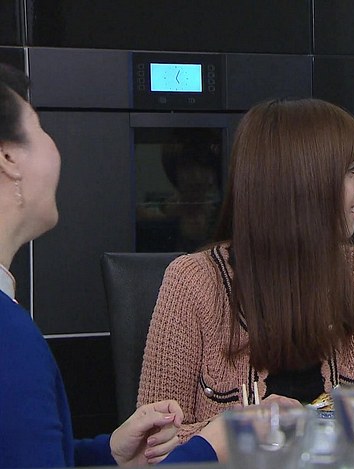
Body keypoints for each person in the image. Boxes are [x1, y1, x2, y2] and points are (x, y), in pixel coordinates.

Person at [137, 98, 354, 442]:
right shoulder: (191, 281)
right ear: (303, 184)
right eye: (349, 171)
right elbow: (152, 441)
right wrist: (247, 428)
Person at [0, 64, 216, 467]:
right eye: (40, 127)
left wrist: (110, 453)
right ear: (9, 157)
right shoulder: (8, 339)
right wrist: (212, 449)